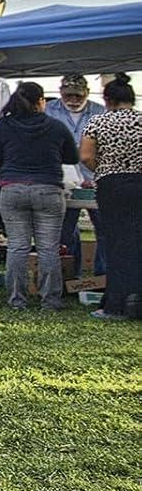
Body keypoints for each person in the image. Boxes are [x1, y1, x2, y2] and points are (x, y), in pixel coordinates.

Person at [0, 81, 77, 311]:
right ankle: (51, 300)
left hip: (12, 189)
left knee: (17, 247)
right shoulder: (56, 126)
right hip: (48, 189)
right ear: (40, 102)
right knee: (48, 248)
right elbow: (72, 157)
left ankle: (17, 300)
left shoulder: (2, 126)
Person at [80, 74, 142, 320]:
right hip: (140, 181)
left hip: (112, 185)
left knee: (116, 243)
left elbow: (85, 156)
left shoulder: (98, 122)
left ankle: (115, 304)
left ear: (107, 100)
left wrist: (103, 169)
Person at [46, 73, 105, 275]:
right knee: (65, 231)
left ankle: (102, 275)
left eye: (78, 96)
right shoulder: (49, 110)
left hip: (94, 176)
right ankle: (71, 274)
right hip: (63, 179)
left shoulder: (99, 111)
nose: (73, 100)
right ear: (61, 92)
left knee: (104, 227)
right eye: (69, 95)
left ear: (87, 93)